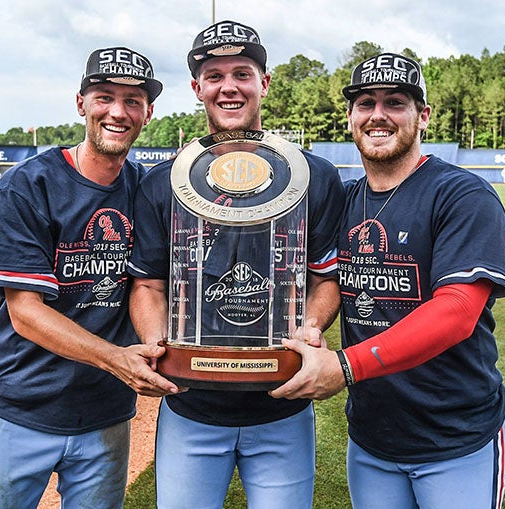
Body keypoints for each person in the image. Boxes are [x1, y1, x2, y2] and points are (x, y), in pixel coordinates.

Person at [271, 53, 505, 509]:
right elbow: (315, 279)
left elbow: (458, 311)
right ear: (350, 117)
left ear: (422, 116)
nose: (377, 114)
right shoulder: (346, 199)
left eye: (395, 102)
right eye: (365, 103)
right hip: (373, 437)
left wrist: (345, 366)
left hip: (457, 437)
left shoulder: (461, 195)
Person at [127, 20, 345, 509]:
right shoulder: (161, 183)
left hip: (283, 404)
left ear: (263, 82)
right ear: (197, 88)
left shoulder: (316, 175)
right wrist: (156, 343)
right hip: (191, 405)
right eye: (215, 74)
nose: (229, 86)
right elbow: (148, 284)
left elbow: (325, 277)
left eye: (242, 73)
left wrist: (309, 327)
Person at [0, 46, 177, 509]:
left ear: (148, 112)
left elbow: (155, 284)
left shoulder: (146, 191)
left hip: (105, 414)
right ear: (81, 102)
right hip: (22, 407)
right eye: (104, 96)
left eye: (132, 100)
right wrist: (115, 359)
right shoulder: (29, 185)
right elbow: (25, 312)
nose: (118, 112)